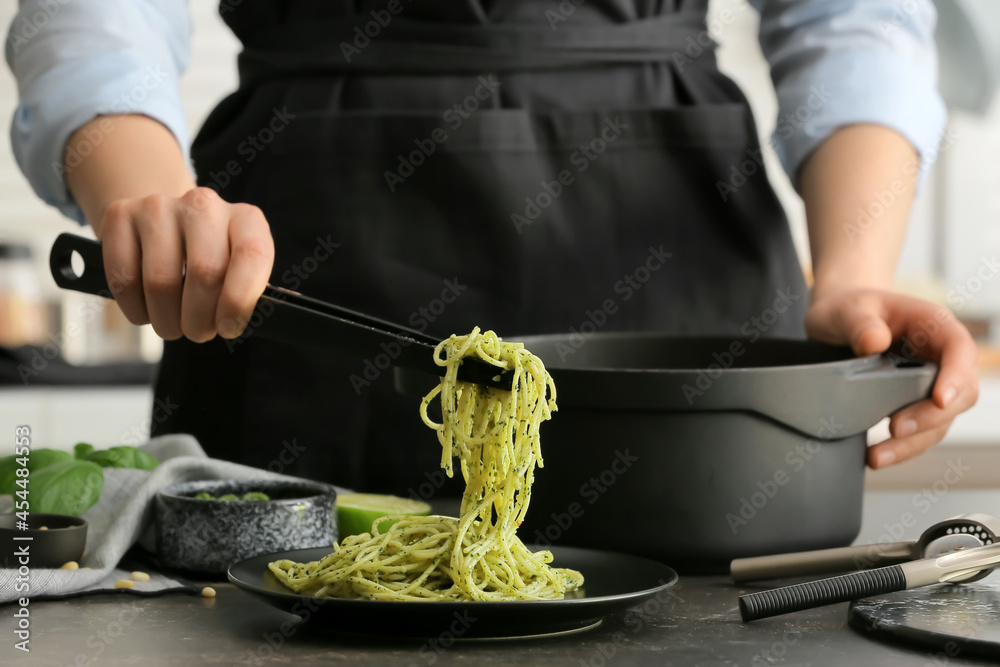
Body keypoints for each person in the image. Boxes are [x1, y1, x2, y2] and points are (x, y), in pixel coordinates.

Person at [7, 0, 978, 495]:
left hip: (687, 260)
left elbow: (852, 14)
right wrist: (147, 195)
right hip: (306, 233)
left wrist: (850, 274)